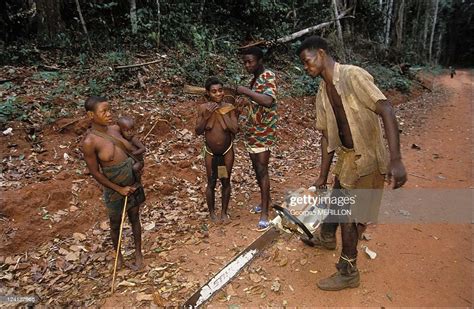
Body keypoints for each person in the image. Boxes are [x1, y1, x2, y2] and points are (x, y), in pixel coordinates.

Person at [297, 36, 407, 290]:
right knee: (337, 196)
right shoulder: (323, 91)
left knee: (350, 216)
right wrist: (322, 175)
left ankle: (348, 271)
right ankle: (326, 237)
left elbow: (387, 109)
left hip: (368, 157)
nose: (306, 67)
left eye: (307, 61)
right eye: (303, 64)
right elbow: (326, 136)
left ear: (321, 53)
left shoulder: (353, 76)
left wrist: (397, 158)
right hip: (347, 156)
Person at [81, 96, 146, 270]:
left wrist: (139, 164)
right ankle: (119, 258)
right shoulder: (90, 142)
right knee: (116, 224)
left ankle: (138, 253)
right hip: (115, 188)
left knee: (134, 217)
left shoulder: (118, 129)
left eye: (109, 110)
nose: (109, 114)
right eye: (104, 112)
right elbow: (95, 172)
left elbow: (138, 147)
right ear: (91, 115)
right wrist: (119, 189)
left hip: (133, 182)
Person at [236, 47, 278, 230]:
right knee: (256, 169)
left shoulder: (268, 76)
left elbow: (268, 100)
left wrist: (245, 91)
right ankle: (265, 202)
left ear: (260, 60)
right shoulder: (254, 79)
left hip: (263, 133)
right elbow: (254, 103)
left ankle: (264, 214)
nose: (247, 65)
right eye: (244, 62)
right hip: (252, 133)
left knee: (262, 170)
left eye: (250, 61)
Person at [195, 77, 238, 222]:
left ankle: (224, 212)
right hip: (210, 153)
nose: (218, 94)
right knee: (211, 182)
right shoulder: (203, 108)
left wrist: (224, 114)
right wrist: (206, 116)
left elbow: (235, 129)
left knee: (225, 181)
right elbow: (198, 131)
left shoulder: (229, 108)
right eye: (214, 92)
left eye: (220, 90)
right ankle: (212, 213)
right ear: (208, 93)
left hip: (226, 152)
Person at [117, 116, 146, 181]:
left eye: (131, 130)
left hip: (138, 161)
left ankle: (138, 181)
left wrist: (134, 153)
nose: (129, 133)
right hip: (130, 161)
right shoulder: (122, 139)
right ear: (120, 131)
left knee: (134, 168)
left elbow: (143, 148)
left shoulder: (133, 139)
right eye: (126, 131)